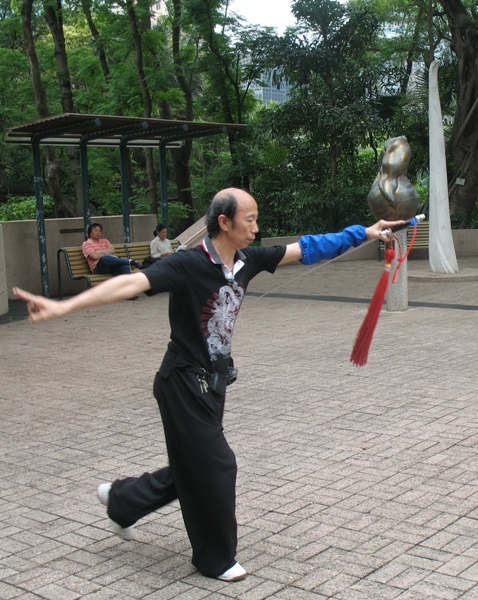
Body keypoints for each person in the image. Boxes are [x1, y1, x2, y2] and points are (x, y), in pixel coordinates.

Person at [13, 188, 403, 583]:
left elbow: (307, 247)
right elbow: (130, 284)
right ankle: (214, 558)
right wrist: (62, 306)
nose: (256, 227)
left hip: (213, 384)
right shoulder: (187, 263)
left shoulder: (247, 260)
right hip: (181, 382)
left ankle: (123, 500)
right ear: (224, 222)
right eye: (248, 219)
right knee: (217, 464)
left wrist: (366, 233)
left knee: (194, 465)